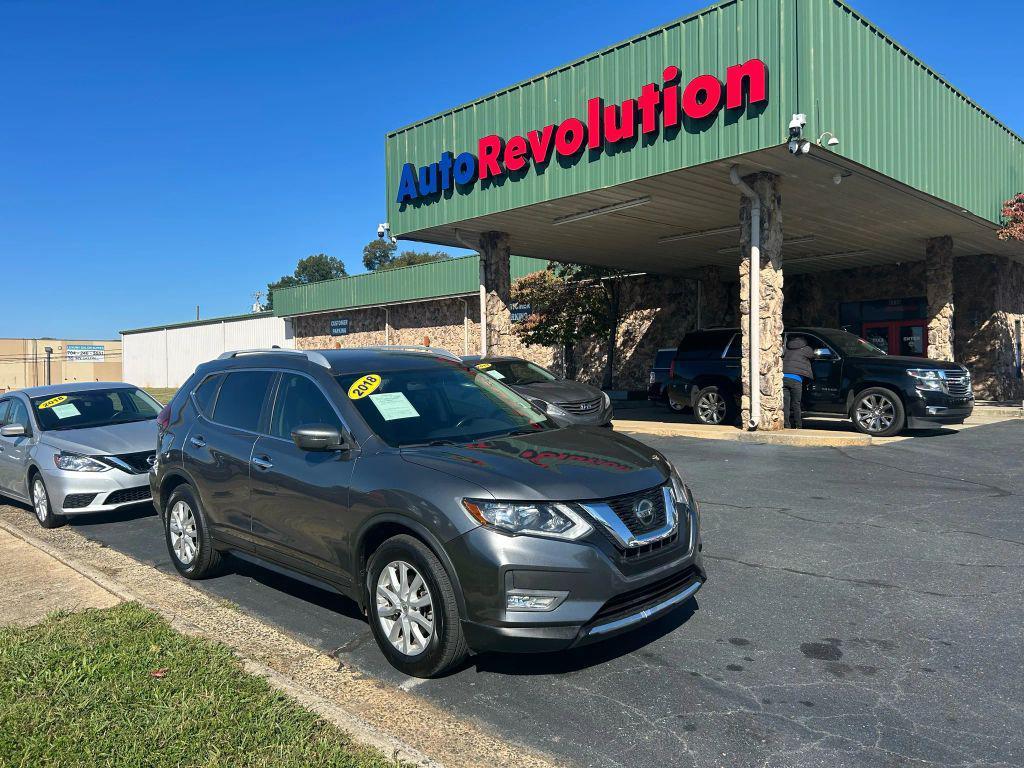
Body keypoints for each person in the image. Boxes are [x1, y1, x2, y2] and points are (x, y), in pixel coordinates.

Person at [782, 335, 816, 429]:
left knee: (786, 404)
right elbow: (813, 356)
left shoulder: (788, 348)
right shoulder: (806, 349)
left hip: (784, 377)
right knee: (796, 403)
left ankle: (786, 425)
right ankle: (798, 425)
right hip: (796, 379)